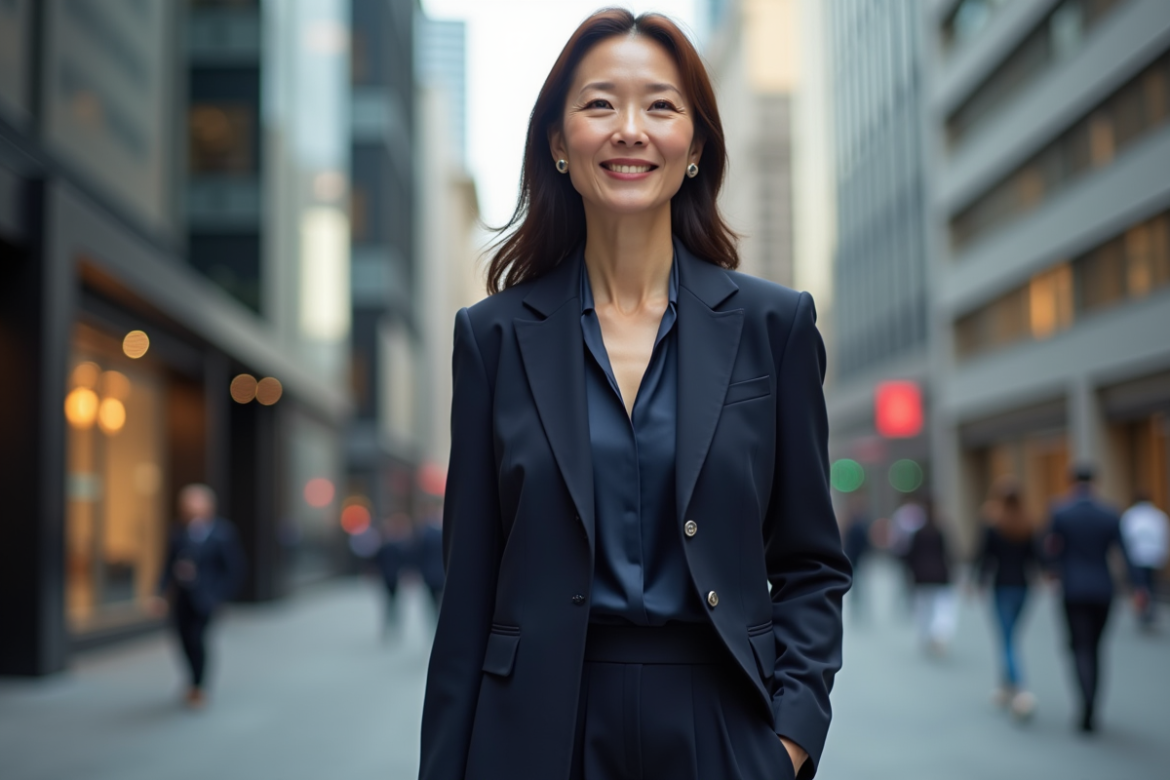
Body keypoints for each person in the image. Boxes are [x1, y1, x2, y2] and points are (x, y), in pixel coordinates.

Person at [418, 11, 851, 780]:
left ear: (695, 146)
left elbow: (812, 562)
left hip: (723, 731)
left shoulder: (774, 325)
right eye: (597, 105)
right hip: (536, 738)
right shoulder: (492, 337)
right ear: (557, 143)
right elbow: (469, 592)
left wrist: (790, 738)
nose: (629, 129)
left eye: (659, 105)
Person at [1045, 464, 1129, 733]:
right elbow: (1123, 552)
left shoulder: (1060, 511)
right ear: (1096, 481)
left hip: (1072, 589)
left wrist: (1053, 570)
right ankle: (1093, 704)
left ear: (1071, 482)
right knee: (1095, 648)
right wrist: (1139, 587)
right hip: (1103, 589)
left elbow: (1048, 549)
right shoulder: (1109, 513)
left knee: (1079, 647)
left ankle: (1085, 704)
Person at [151, 484, 244, 708]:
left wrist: (219, 597)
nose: (191, 508)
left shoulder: (223, 532)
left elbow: (234, 569)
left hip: (206, 599)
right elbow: (167, 565)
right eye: (187, 503)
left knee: (197, 640)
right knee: (183, 640)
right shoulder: (178, 531)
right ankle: (192, 681)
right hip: (182, 598)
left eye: (196, 502)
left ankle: (199, 686)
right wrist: (159, 593)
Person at [973, 476, 1040, 719]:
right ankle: (1005, 686)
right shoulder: (1028, 523)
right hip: (1023, 586)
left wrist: (976, 582)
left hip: (1001, 586)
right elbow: (1036, 557)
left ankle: (1020, 690)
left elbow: (983, 556)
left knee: (1007, 638)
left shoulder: (992, 523)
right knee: (1011, 636)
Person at [906, 501, 957, 654]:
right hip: (940, 575)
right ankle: (938, 635)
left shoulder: (918, 533)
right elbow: (949, 554)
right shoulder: (940, 531)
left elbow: (910, 556)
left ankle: (926, 635)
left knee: (923, 610)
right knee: (941, 608)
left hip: (922, 577)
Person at [1120, 490, 1168, 631]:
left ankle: (1143, 611)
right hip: (1154, 554)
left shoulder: (1130, 515)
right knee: (1152, 585)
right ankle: (1150, 610)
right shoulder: (1159, 515)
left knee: (1140, 585)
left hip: (1136, 555)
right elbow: (1164, 536)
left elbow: (1125, 537)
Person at [375, 513, 415, 637]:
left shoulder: (393, 546)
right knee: (390, 602)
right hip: (389, 576)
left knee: (391, 602)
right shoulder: (389, 546)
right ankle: (390, 626)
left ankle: (392, 626)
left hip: (392, 576)